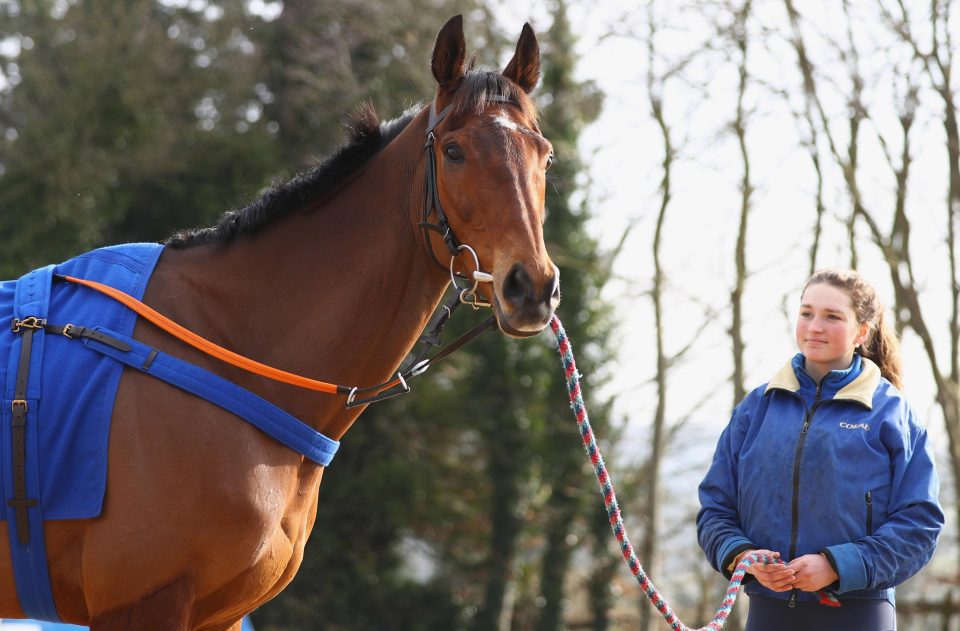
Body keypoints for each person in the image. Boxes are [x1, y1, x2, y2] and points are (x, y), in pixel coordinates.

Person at [697, 268, 944, 630]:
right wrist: (742, 555)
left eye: (832, 317)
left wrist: (837, 565)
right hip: (768, 612)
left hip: (858, 614)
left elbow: (919, 526)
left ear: (862, 331)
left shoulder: (892, 414)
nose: (815, 326)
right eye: (807, 312)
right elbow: (715, 509)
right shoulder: (756, 409)